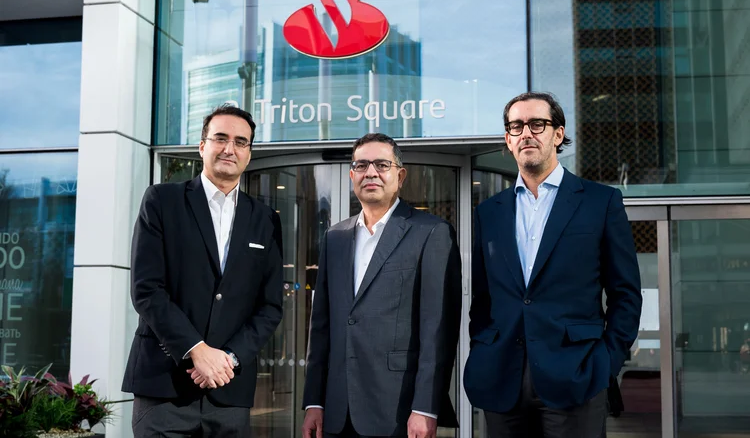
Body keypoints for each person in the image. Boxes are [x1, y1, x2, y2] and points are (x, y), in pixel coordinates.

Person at [463, 92, 643, 438]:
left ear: (558, 134)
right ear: (508, 140)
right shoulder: (489, 212)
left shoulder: (600, 201)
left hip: (577, 375)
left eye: (537, 124)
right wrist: (483, 350)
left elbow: (626, 293)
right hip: (502, 378)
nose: (526, 133)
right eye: (516, 126)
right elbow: (483, 300)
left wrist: (606, 362)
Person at [122, 104, 284, 436]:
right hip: (164, 387)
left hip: (229, 389)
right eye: (220, 138)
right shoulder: (161, 201)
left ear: (249, 154)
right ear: (202, 146)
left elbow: (270, 307)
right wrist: (196, 350)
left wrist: (229, 358)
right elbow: (147, 289)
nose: (229, 149)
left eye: (240, 142)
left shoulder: (265, 219)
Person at [301, 133, 462, 438]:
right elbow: (320, 327)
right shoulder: (335, 238)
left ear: (400, 176)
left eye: (382, 164)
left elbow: (437, 330)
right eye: (361, 165)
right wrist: (314, 401)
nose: (371, 172)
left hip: (398, 410)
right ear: (352, 176)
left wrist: (426, 407)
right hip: (336, 410)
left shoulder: (431, 233)